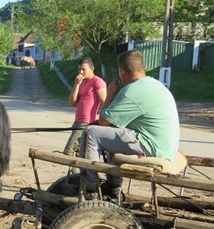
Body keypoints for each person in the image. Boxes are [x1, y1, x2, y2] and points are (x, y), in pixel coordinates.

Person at [80, 49, 180, 197]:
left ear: (122, 72)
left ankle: (91, 187)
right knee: (109, 133)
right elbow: (114, 123)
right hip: (164, 145)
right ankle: (113, 187)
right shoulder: (155, 84)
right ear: (142, 68)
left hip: (152, 146)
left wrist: (111, 92)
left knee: (90, 133)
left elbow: (103, 120)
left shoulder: (131, 90)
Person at [64, 57, 107, 172]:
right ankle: (80, 177)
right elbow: (72, 102)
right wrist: (76, 85)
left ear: (92, 69)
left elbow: (105, 102)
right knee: (79, 153)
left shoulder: (98, 82)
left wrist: (104, 122)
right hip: (77, 121)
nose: (81, 72)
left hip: (86, 122)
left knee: (68, 152)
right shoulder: (82, 83)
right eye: (79, 70)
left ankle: (77, 178)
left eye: (83, 69)